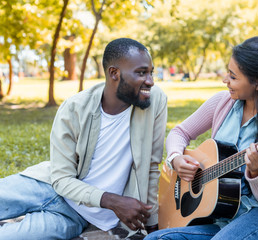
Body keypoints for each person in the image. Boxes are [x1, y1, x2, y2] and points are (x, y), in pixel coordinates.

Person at [145, 36, 258, 240]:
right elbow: (180, 132)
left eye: (233, 76)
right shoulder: (221, 103)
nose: (225, 80)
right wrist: (175, 158)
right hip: (222, 218)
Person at [0, 38, 167, 240]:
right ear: (114, 73)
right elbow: (61, 179)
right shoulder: (75, 108)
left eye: (151, 72)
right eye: (141, 73)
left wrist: (153, 224)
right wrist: (111, 200)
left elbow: (151, 166)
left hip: (73, 217)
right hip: (44, 185)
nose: (150, 80)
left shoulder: (155, 100)